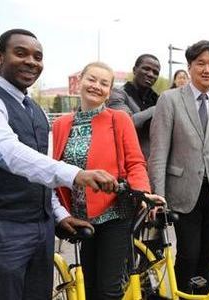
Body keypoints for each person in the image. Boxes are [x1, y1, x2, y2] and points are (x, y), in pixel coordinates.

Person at [0, 29, 117, 299]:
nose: (31, 62)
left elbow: (42, 168)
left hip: (41, 228)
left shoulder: (35, 110)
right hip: (4, 226)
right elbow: (8, 153)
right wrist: (77, 174)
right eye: (20, 53)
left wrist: (59, 215)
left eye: (38, 56)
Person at [52, 62, 165, 298]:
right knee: (89, 286)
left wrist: (142, 192)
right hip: (79, 216)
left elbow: (135, 162)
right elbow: (55, 167)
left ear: (110, 90)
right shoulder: (62, 124)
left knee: (109, 289)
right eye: (91, 79)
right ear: (80, 80)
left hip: (114, 213)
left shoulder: (119, 119)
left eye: (104, 83)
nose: (96, 86)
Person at [148, 40, 209, 294]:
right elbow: (158, 151)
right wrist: (158, 196)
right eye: (201, 63)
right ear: (189, 67)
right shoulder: (170, 100)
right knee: (188, 254)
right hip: (181, 192)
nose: (207, 69)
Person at [108, 54, 161, 158]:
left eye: (155, 72)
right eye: (146, 69)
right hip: (127, 161)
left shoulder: (157, 98)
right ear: (134, 70)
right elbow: (128, 123)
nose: (151, 74)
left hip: (153, 162)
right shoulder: (118, 94)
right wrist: (157, 109)